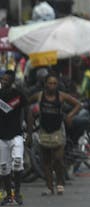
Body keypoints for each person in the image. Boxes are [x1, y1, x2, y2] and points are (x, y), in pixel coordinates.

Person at [29, 73, 82, 196]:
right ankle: (49, 187)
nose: (52, 85)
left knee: (58, 159)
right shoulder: (39, 96)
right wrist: (30, 120)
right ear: (45, 84)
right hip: (44, 130)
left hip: (58, 130)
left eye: (54, 83)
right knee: (46, 161)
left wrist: (70, 115)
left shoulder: (61, 96)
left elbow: (78, 104)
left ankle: (59, 183)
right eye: (50, 83)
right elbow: (27, 103)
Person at [0, 71, 29, 205]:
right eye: (2, 79)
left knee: (18, 161)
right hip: (1, 136)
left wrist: (29, 133)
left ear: (12, 81)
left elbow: (28, 113)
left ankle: (17, 192)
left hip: (16, 134)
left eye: (6, 80)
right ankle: (8, 195)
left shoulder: (19, 95)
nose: (3, 81)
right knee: (4, 167)